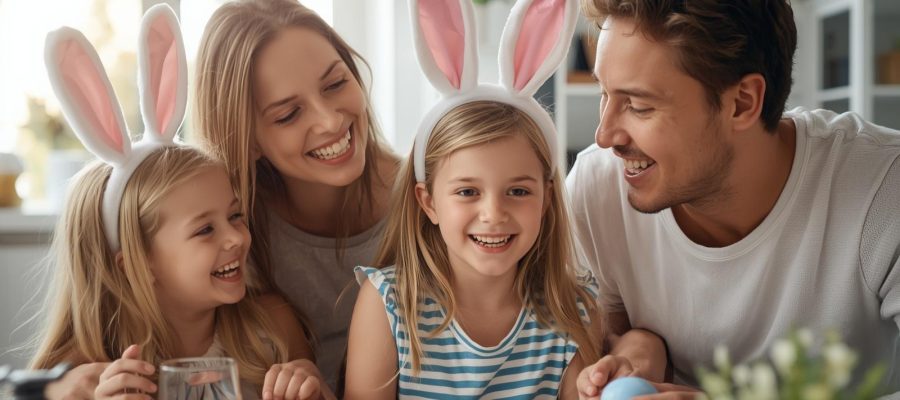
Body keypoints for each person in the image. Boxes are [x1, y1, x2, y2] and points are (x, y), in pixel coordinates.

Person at [570, 0, 900, 396]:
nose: (604, 136)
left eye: (639, 106)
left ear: (742, 102)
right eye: (604, 93)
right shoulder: (597, 188)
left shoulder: (882, 190)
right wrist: (639, 347)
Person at [345, 1, 667, 398]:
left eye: (518, 191)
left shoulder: (572, 312)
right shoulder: (388, 307)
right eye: (467, 192)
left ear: (547, 199)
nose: (494, 214)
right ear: (427, 202)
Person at [32, 6, 332, 399]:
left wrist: (313, 388)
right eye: (205, 229)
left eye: (235, 215)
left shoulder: (271, 329)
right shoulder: (88, 372)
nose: (237, 239)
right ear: (139, 262)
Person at [193, 0, 399, 388]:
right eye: (288, 115)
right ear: (246, 139)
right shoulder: (230, 234)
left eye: (336, 83)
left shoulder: (432, 198)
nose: (330, 120)